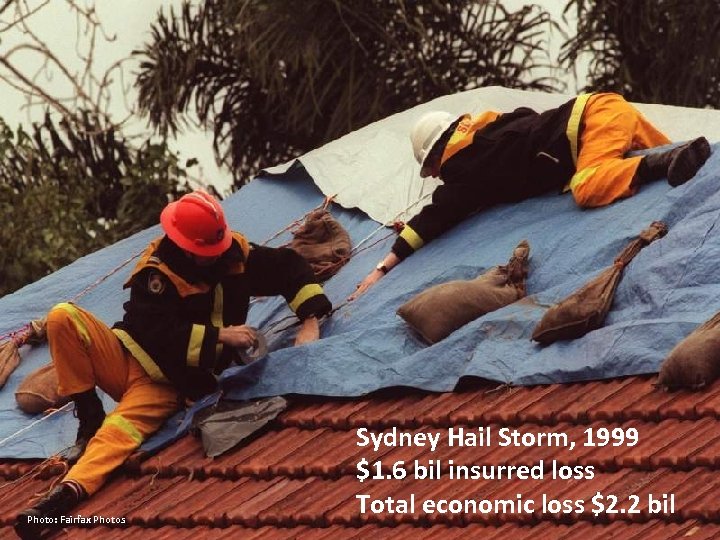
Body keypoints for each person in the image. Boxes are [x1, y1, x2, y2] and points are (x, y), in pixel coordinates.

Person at [15, 190, 332, 539]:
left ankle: (57, 503)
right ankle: (88, 419)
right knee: (62, 316)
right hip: (126, 355)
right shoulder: (156, 275)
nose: (213, 259)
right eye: (203, 254)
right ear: (183, 247)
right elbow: (156, 333)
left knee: (114, 440)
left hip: (164, 387)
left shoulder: (234, 258)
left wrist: (310, 321)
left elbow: (289, 267)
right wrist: (221, 336)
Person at [350, 92, 712, 299]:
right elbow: (526, 117)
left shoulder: (463, 169)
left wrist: (382, 268)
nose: (435, 178)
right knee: (687, 170)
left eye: (431, 171)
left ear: (434, 159)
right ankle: (673, 160)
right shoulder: (489, 126)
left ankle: (660, 164)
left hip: (588, 128)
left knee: (587, 186)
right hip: (604, 105)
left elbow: (435, 217)